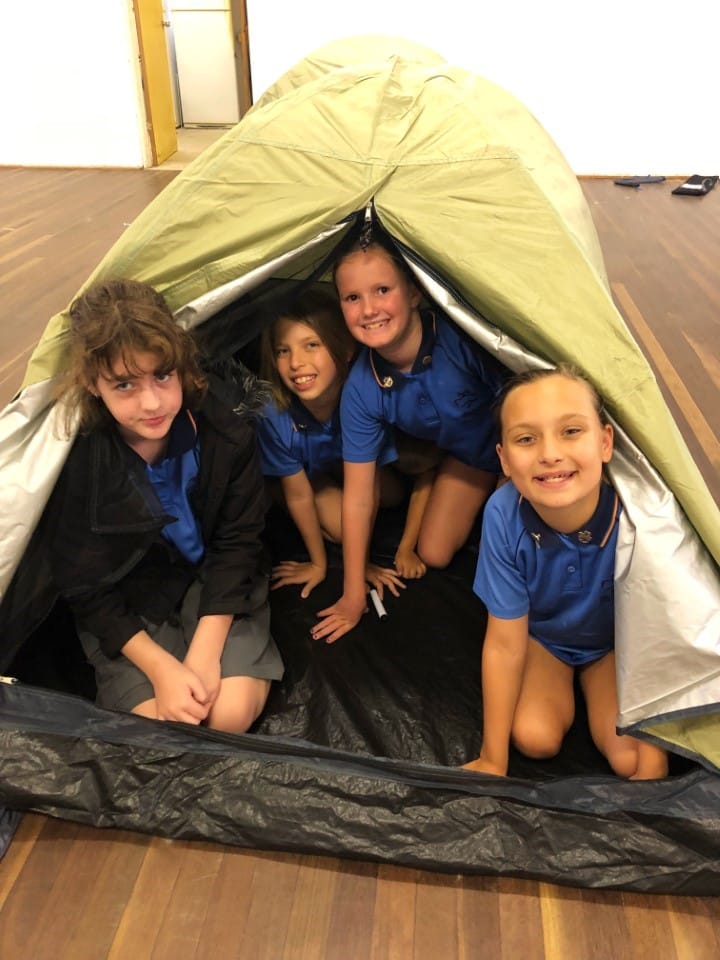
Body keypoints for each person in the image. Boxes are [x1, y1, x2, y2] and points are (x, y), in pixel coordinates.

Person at [46, 278, 283, 732]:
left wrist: (204, 654)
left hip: (215, 580)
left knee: (227, 716)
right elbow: (84, 585)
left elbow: (238, 543)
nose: (152, 402)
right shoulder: (81, 461)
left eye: (162, 375)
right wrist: (161, 669)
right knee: (165, 729)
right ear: (93, 384)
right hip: (132, 600)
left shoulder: (223, 432)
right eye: (124, 384)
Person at [464, 365, 668, 779]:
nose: (550, 454)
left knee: (633, 760)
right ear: (503, 459)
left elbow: (660, 636)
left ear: (605, 442)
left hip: (617, 646)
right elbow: (504, 644)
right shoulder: (504, 515)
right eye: (526, 439)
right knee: (534, 738)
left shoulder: (638, 514)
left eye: (571, 431)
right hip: (547, 641)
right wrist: (492, 758)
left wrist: (654, 765)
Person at [313, 234, 508, 643]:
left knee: (508, 539)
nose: (369, 309)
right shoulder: (362, 387)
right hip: (471, 457)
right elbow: (359, 497)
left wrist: (509, 492)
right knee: (434, 552)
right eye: (352, 298)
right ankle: (458, 488)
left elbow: (523, 412)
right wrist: (352, 595)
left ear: (414, 293)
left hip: (518, 453)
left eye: (382, 290)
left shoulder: (461, 341)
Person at [258, 289, 405, 599]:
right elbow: (299, 495)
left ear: (345, 349)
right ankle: (282, 491)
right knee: (341, 528)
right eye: (283, 351)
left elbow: (371, 489)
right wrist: (318, 564)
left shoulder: (363, 394)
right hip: (299, 476)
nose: (296, 363)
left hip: (339, 458)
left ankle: (334, 474)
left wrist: (361, 560)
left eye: (311, 345)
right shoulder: (274, 413)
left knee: (394, 495)